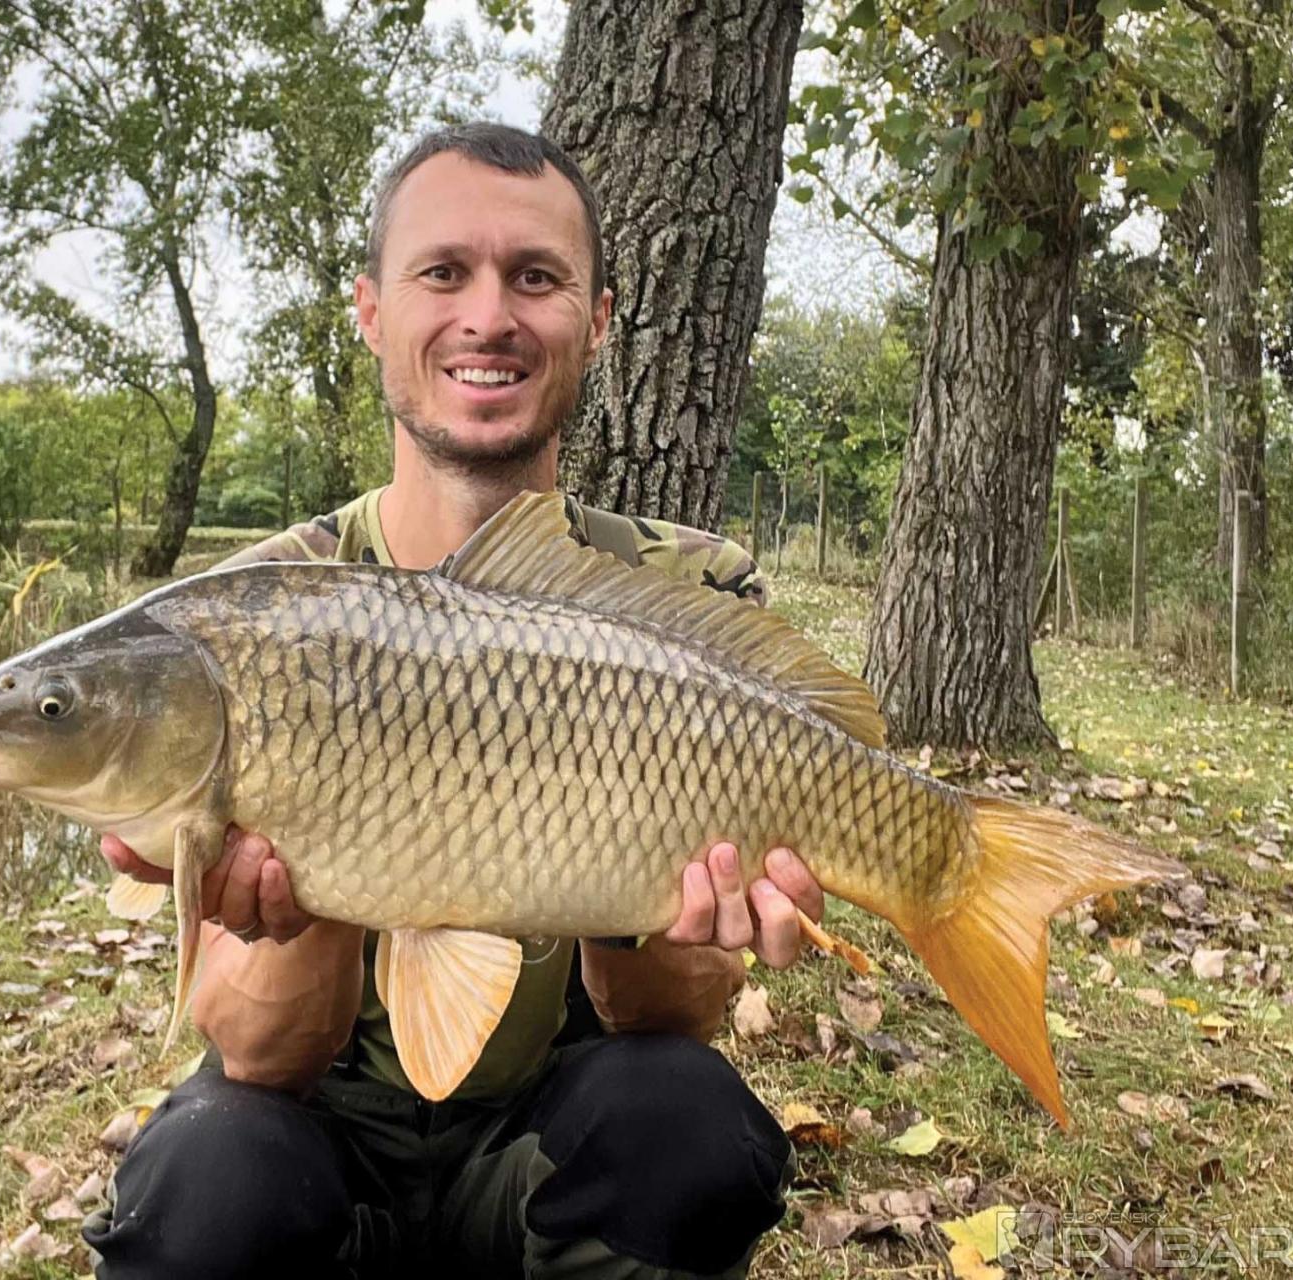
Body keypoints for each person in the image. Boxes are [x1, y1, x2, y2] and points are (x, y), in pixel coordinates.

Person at [82, 122, 824, 1279]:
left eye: (534, 277)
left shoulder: (686, 594)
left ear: (597, 319)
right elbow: (261, 1055)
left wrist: (654, 898)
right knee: (203, 1182)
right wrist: (310, 881)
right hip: (328, 1159)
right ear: (371, 311)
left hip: (549, 1148)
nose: (487, 316)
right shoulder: (252, 612)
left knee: (686, 1124)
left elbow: (669, 1018)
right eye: (442, 272)